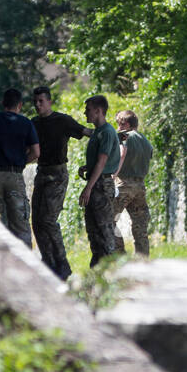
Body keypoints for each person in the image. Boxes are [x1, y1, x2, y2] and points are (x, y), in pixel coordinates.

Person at [31, 86, 91, 280]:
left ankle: (62, 265)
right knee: (37, 222)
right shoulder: (33, 123)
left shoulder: (62, 120)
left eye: (41, 101)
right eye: (35, 102)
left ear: (49, 101)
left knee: (48, 220)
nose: (38, 105)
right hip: (42, 173)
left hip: (57, 174)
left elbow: (85, 131)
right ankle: (48, 263)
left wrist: (109, 135)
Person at [0, 88, 40, 245]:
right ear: (19, 105)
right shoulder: (26, 123)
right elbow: (36, 152)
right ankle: (24, 262)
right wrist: (20, 162)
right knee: (20, 224)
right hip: (15, 176)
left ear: (3, 103)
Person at [79, 94, 121, 268]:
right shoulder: (98, 132)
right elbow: (99, 161)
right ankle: (97, 271)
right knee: (94, 232)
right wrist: (87, 167)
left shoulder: (107, 132)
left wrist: (88, 188)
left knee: (105, 231)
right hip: (97, 182)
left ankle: (112, 272)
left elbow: (103, 162)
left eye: (88, 110)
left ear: (98, 111)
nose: (85, 113)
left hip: (101, 186)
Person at [110, 110, 153, 256]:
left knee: (108, 220)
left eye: (119, 124)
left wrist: (113, 174)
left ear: (126, 124)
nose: (117, 128)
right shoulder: (145, 140)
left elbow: (122, 153)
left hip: (124, 185)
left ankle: (121, 256)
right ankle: (143, 261)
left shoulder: (125, 136)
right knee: (140, 226)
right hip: (140, 187)